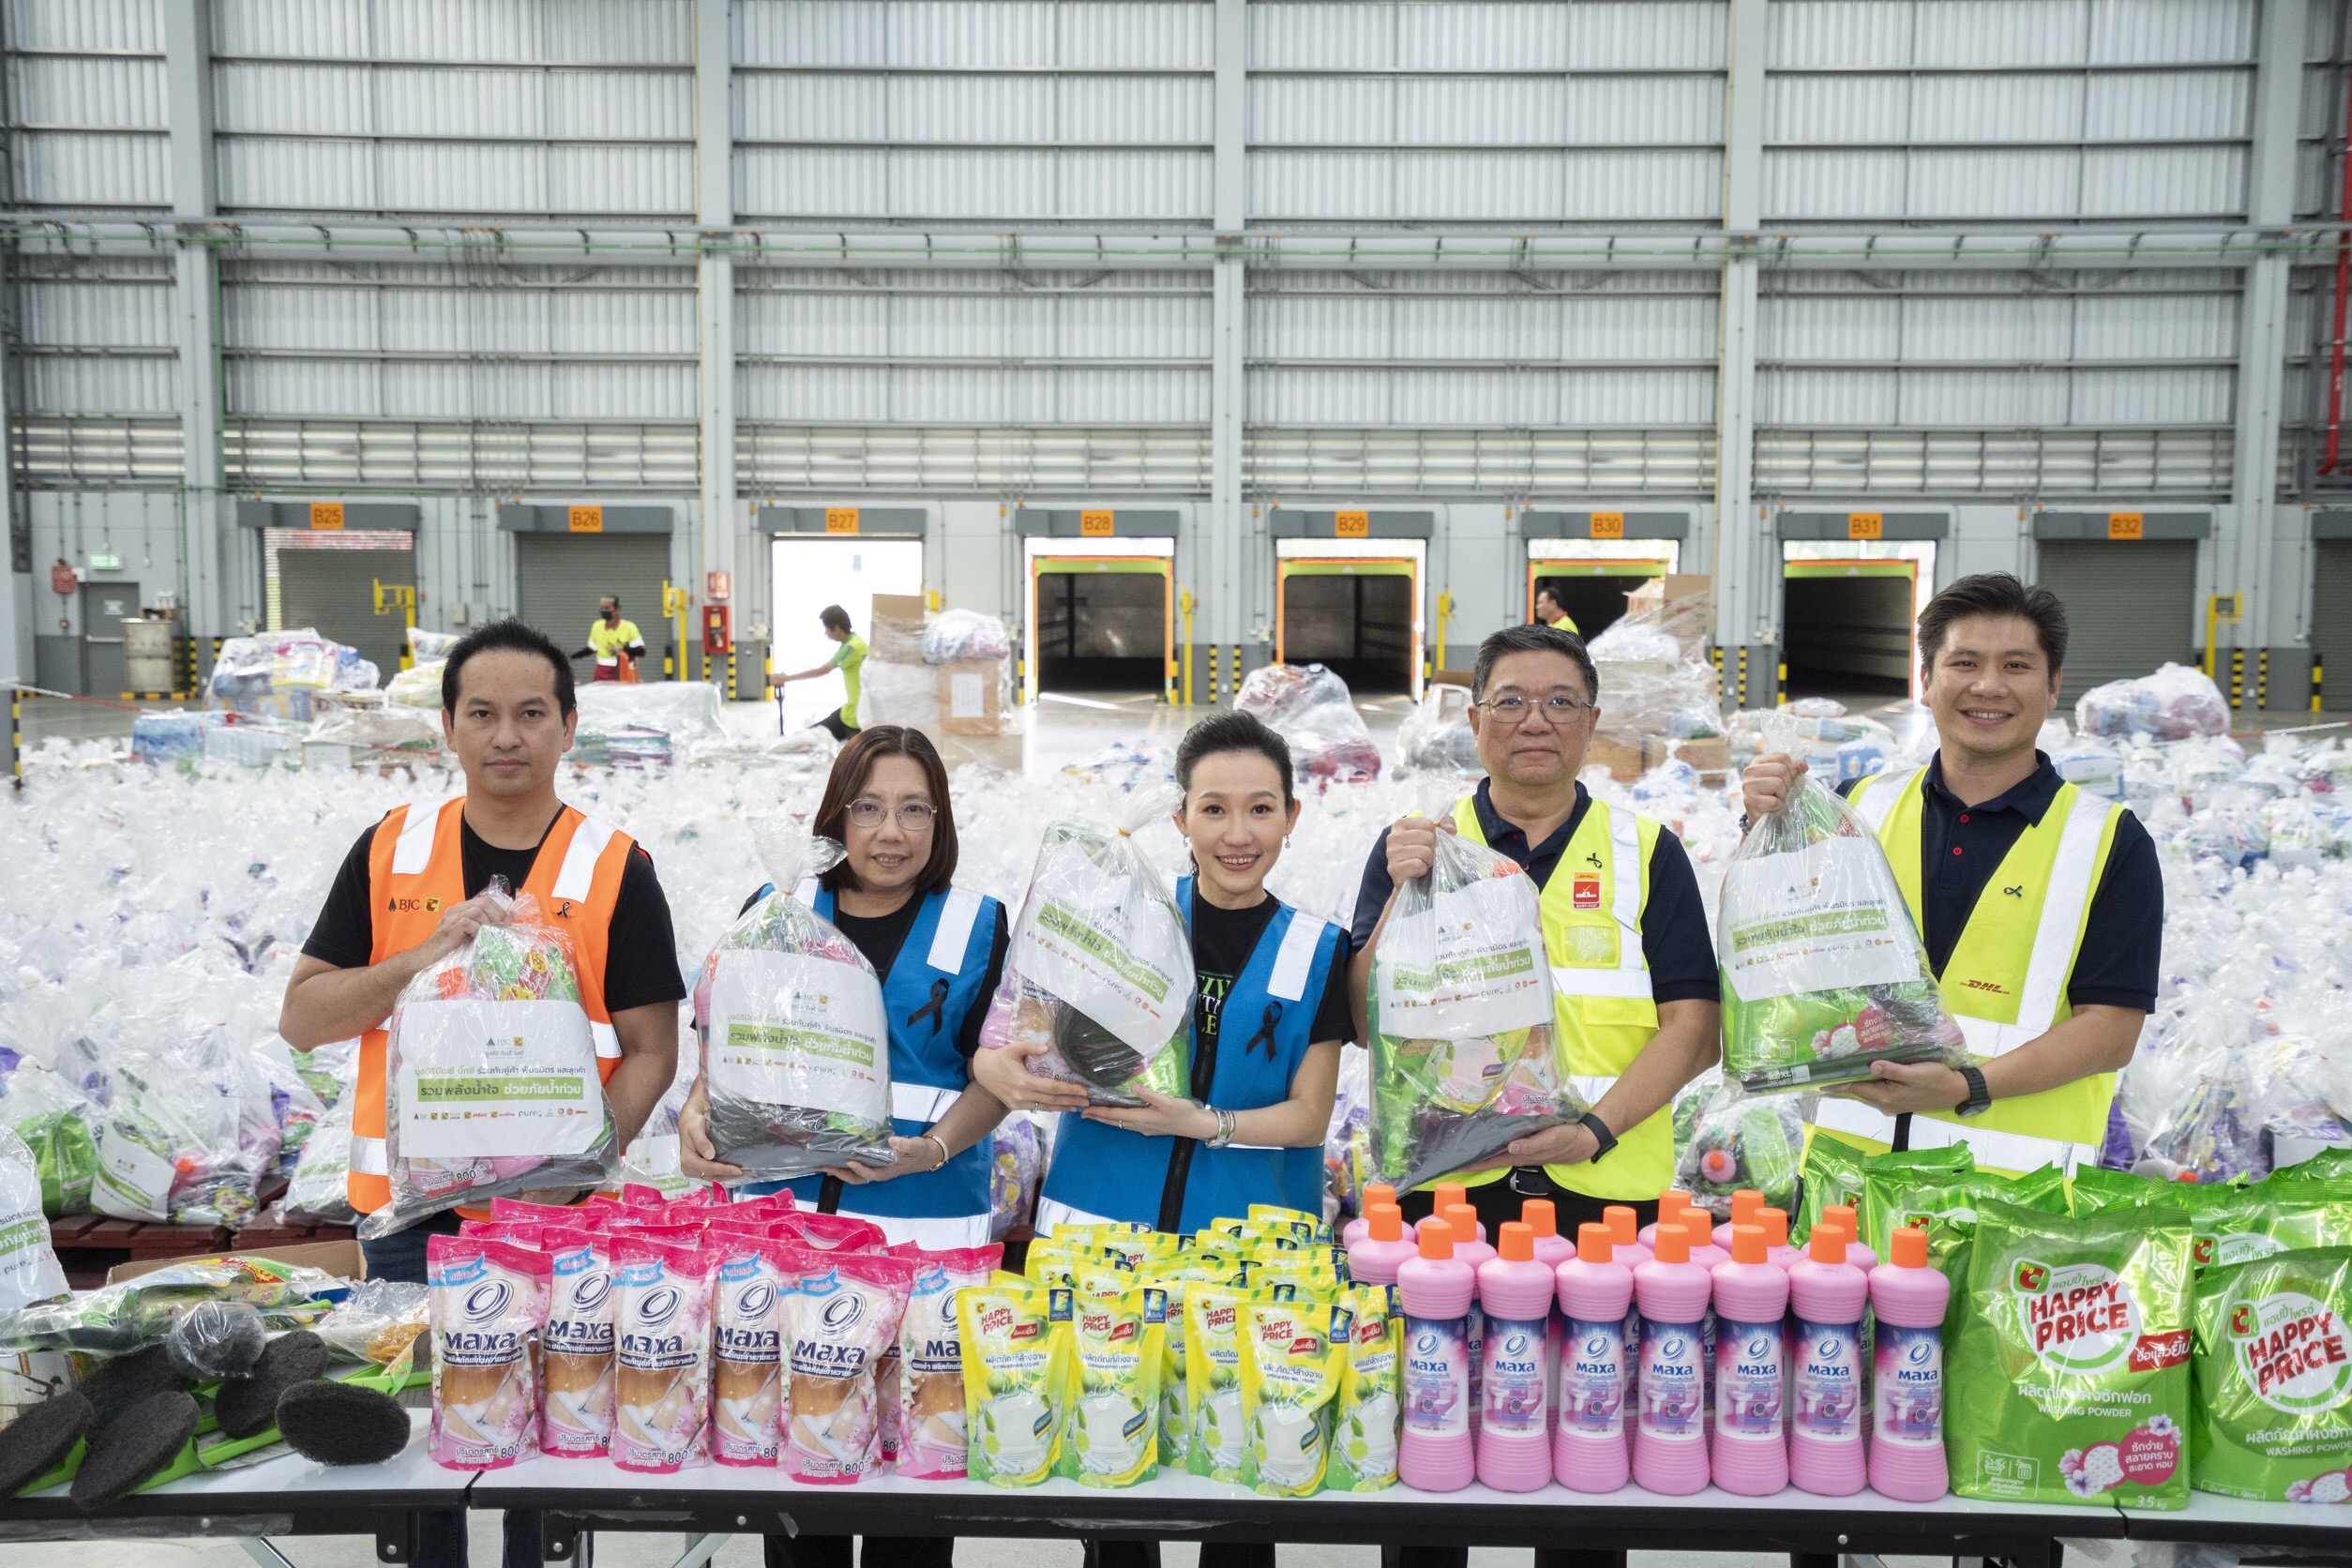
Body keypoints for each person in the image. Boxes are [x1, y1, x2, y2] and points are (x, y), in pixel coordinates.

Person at [278, 618, 684, 1568]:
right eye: (483, 713)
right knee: (425, 1463)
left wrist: (574, 1174)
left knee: (551, 1451)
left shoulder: (616, 867)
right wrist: (425, 956)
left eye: (532, 714)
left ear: (569, 727)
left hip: (556, 1223)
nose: (508, 736)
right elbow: (303, 1017)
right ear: (448, 728)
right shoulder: (390, 849)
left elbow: (653, 1051)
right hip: (408, 1225)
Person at [678, 724, 1008, 1568]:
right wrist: (695, 1111)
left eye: (914, 811)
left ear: (940, 823)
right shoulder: (778, 907)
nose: (891, 833)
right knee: (799, 1490)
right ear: (835, 816)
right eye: (868, 808)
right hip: (788, 1234)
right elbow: (722, 1048)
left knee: (914, 1490)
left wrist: (933, 1149)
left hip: (925, 1234)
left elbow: (1001, 1077)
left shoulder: (978, 925)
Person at [1740, 572, 2161, 1175]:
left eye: (2016, 666)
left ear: (2053, 686)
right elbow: (1772, 947)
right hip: (1846, 1185)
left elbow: (2111, 1032)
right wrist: (1763, 826)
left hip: (2014, 1199)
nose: (1988, 685)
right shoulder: (1857, 807)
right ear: (1927, 680)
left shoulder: (2109, 841)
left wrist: (1966, 1086)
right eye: (1965, 662)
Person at [1349, 624, 1721, 1239]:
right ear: (1475, 721)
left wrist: (1592, 1132)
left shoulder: (1646, 852)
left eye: (1560, 702)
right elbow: (1364, 1028)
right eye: (1511, 701)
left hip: (1609, 1194)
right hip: (1446, 1187)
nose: (1535, 721)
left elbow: (1697, 1031)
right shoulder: (1418, 845)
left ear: (1592, 722)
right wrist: (1400, 890)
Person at [975, 710, 1352, 1237]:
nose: (1238, 835)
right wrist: (993, 1067)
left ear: (1291, 816)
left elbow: (1310, 1117)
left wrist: (1201, 1124)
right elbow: (1026, 1030)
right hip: (1093, 1225)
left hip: (1243, 1246)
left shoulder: (1316, 949)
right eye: (1214, 809)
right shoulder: (1122, 917)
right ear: (1181, 819)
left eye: (1261, 809)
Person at [771, 603, 867, 741]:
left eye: (827, 628)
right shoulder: (853, 642)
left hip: (855, 718)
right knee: (808, 737)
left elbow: (823, 670)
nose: (826, 633)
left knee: (809, 741)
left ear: (837, 628)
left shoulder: (851, 647)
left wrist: (786, 679)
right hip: (849, 712)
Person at [575, 595, 647, 682]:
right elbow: (590, 649)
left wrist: (623, 648)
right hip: (601, 672)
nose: (604, 611)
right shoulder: (597, 626)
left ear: (617, 609)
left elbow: (641, 651)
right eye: (602, 608)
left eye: (607, 608)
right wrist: (572, 656)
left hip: (622, 671)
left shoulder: (629, 627)